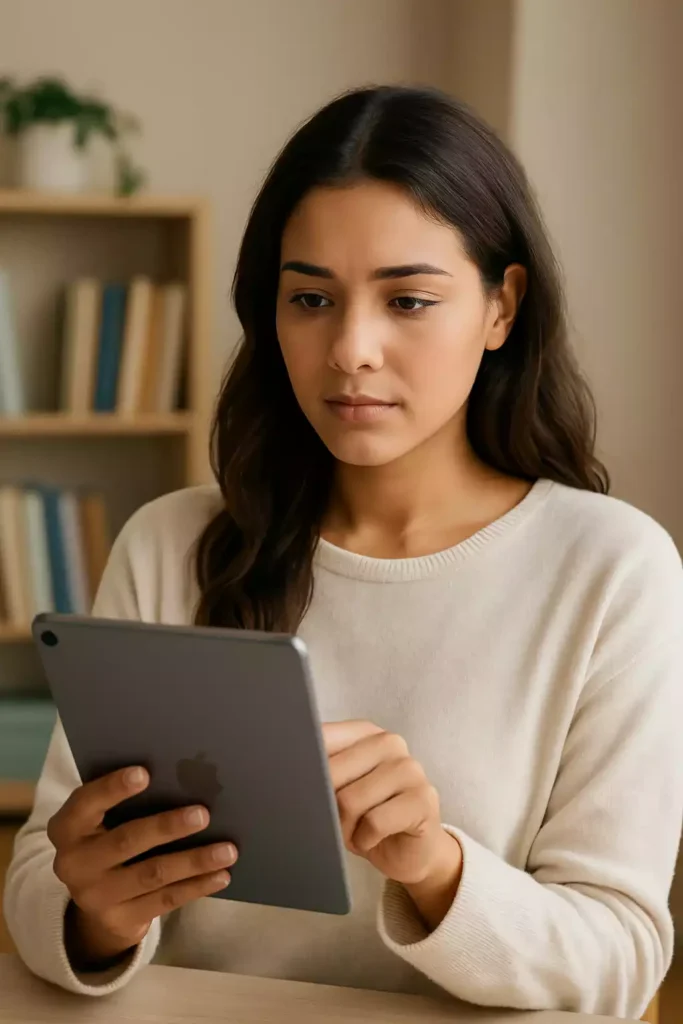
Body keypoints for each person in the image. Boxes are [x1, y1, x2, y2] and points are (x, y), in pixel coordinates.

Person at [4, 85, 682, 1019]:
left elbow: (622, 961)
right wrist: (93, 914)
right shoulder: (172, 541)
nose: (350, 349)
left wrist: (435, 868)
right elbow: (41, 882)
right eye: (310, 298)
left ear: (501, 306)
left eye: (407, 299)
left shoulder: (612, 569)